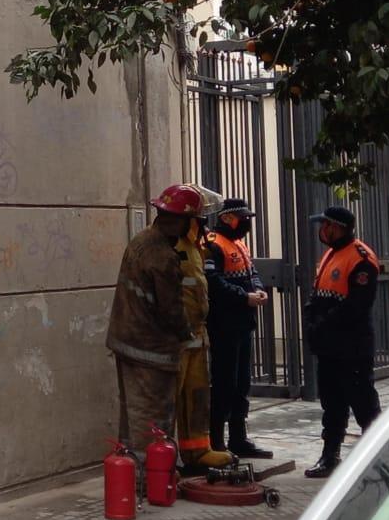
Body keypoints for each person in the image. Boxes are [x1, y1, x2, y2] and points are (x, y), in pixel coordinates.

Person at [107, 184, 201, 461]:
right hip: (150, 350)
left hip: (126, 341)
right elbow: (171, 311)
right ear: (182, 221)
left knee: (132, 415)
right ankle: (149, 478)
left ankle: (131, 472)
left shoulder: (140, 241)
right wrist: (187, 336)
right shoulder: (163, 256)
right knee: (153, 420)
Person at [302, 206, 381, 479]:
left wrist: (322, 325)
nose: (322, 231)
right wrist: (312, 321)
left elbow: (355, 306)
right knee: (332, 403)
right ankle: (330, 455)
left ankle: (380, 458)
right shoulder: (331, 255)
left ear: (338, 227)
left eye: (325, 225)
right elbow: (318, 293)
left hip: (352, 346)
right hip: (330, 347)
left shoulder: (362, 259)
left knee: (364, 404)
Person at [204, 197, 273, 459]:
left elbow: (251, 272)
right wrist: (245, 297)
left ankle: (238, 438)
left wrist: (258, 290)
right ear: (226, 218)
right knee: (224, 383)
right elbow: (214, 283)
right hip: (223, 325)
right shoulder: (213, 245)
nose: (245, 223)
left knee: (242, 383)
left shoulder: (238, 244)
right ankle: (216, 441)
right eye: (241, 218)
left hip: (243, 323)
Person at [173, 203, 235, 472]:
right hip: (176, 337)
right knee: (171, 398)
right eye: (198, 220)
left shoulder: (196, 247)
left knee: (197, 396)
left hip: (197, 335)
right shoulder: (170, 248)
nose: (203, 224)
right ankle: (165, 457)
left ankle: (198, 451)